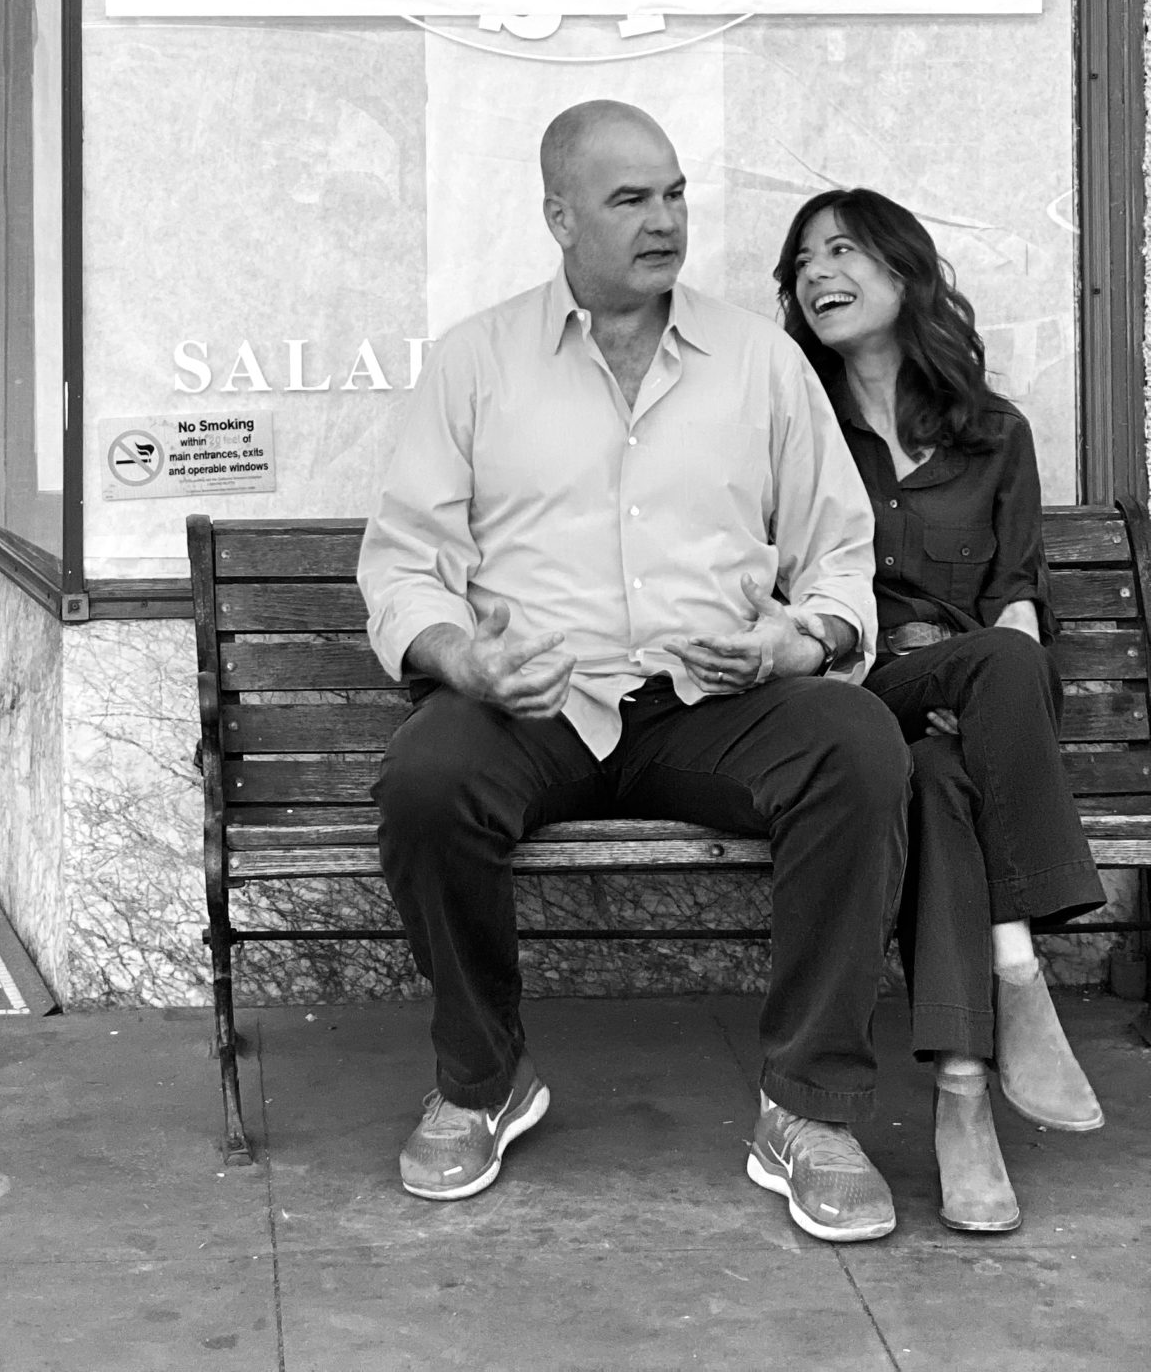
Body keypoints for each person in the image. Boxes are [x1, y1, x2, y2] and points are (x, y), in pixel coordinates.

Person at [361, 100, 909, 1242]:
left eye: (674, 194)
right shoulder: (476, 361)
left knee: (856, 747)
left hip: (716, 696)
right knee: (425, 777)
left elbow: (840, 553)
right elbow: (406, 566)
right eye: (629, 199)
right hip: (539, 700)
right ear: (559, 216)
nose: (664, 222)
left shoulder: (759, 360)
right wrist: (463, 655)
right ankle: (482, 1079)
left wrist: (798, 642)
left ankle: (806, 1106)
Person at [776, 188, 1105, 1236]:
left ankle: (968, 1085)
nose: (817, 271)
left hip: (978, 706)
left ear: (905, 273)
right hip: (856, 686)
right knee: (946, 711)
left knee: (954, 759)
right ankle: (1025, 980)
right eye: (803, 260)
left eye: (844, 250)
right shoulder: (790, 425)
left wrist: (984, 691)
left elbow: (1017, 595)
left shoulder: (992, 433)